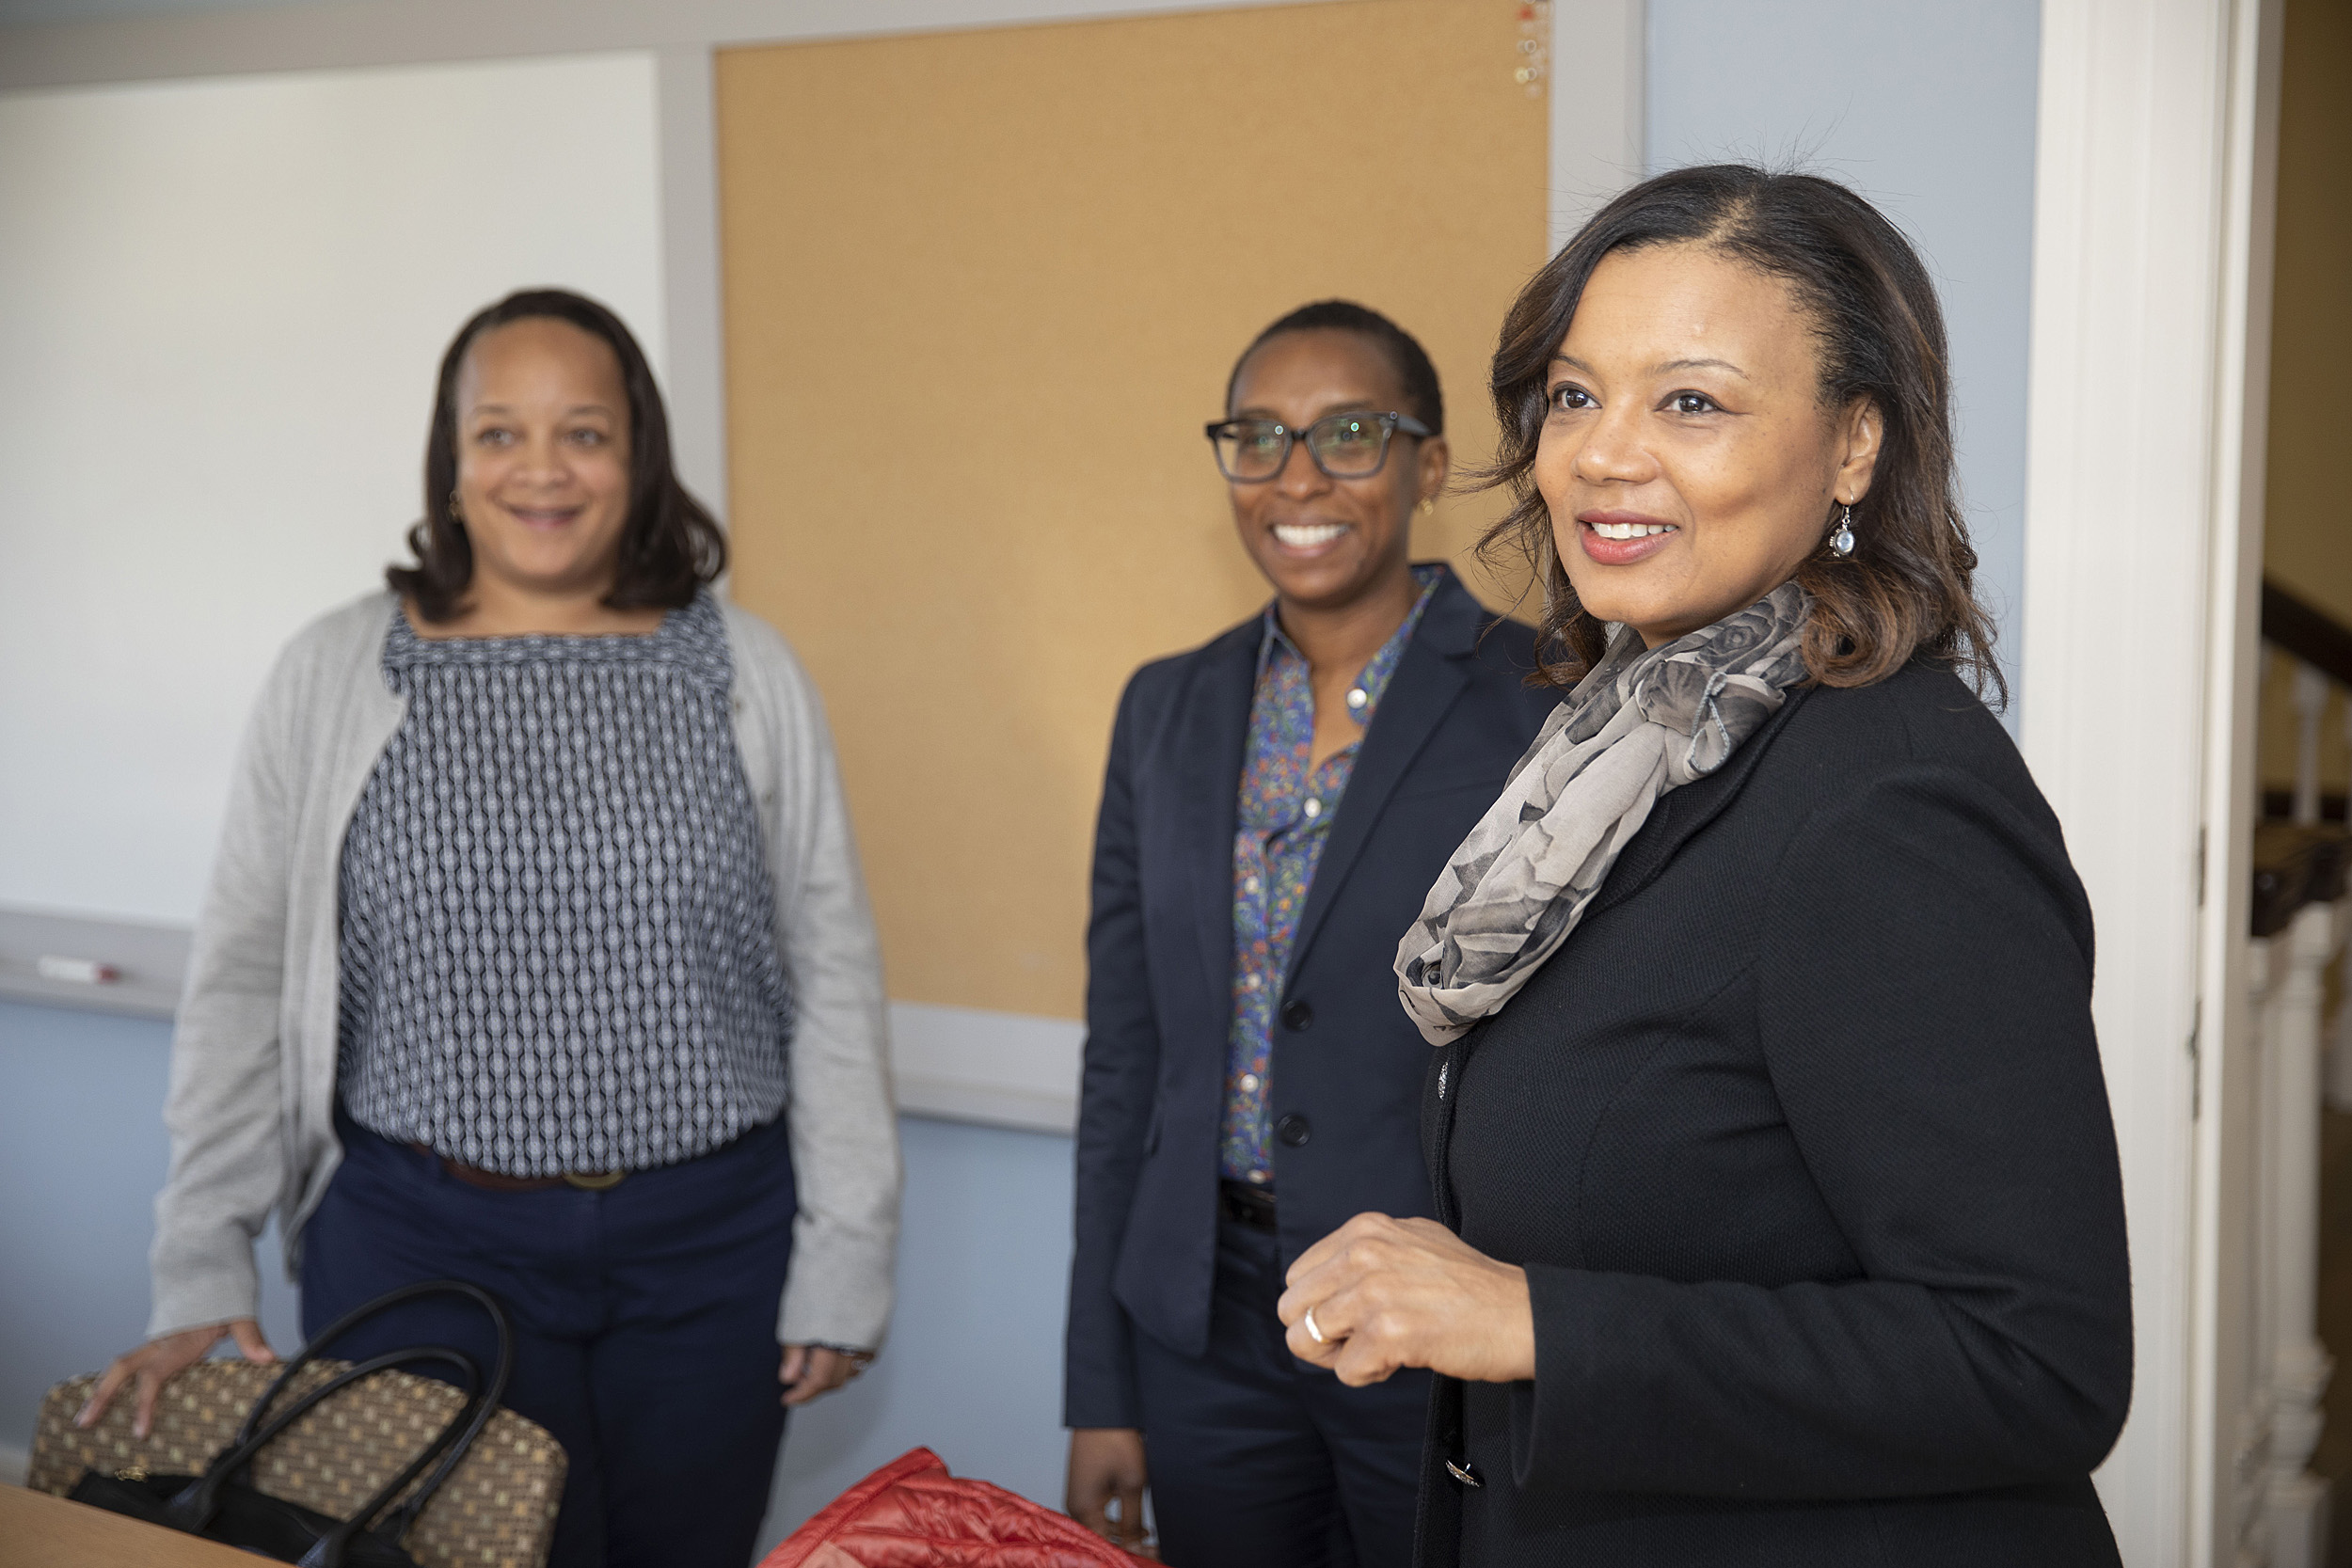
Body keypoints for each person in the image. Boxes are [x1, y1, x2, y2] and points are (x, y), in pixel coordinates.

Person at [1275, 166, 2136, 1564]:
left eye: (1692, 401)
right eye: (1573, 395)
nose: (1604, 455)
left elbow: (2035, 1360)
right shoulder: (1630, 748)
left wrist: (1526, 1317)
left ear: (1853, 448)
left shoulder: (1889, 797)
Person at [78, 289, 900, 1568]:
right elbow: (242, 979)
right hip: (419, 1243)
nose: (542, 471)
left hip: (710, 1254)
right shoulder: (335, 673)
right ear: (449, 464)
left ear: (639, 457)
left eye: (584, 432)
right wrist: (202, 1259)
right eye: (500, 434)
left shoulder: (742, 671)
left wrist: (847, 1254)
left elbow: (834, 974)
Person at [1063, 301, 1558, 1567]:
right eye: (1260, 438)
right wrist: (1102, 1388)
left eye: (1348, 434)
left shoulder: (1543, 700)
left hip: (1429, 1313)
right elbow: (1125, 1060)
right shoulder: (1165, 709)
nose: (1298, 478)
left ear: (1428, 464)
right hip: (1205, 1321)